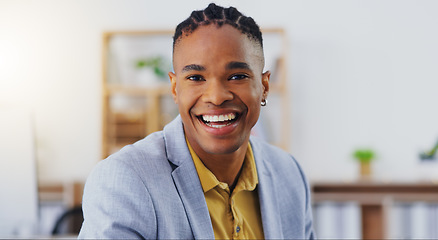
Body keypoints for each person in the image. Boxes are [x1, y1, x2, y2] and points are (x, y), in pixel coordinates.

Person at [79, 3, 315, 239]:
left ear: (264, 86)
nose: (216, 96)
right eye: (195, 77)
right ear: (175, 88)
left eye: (237, 76)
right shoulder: (125, 180)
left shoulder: (289, 174)